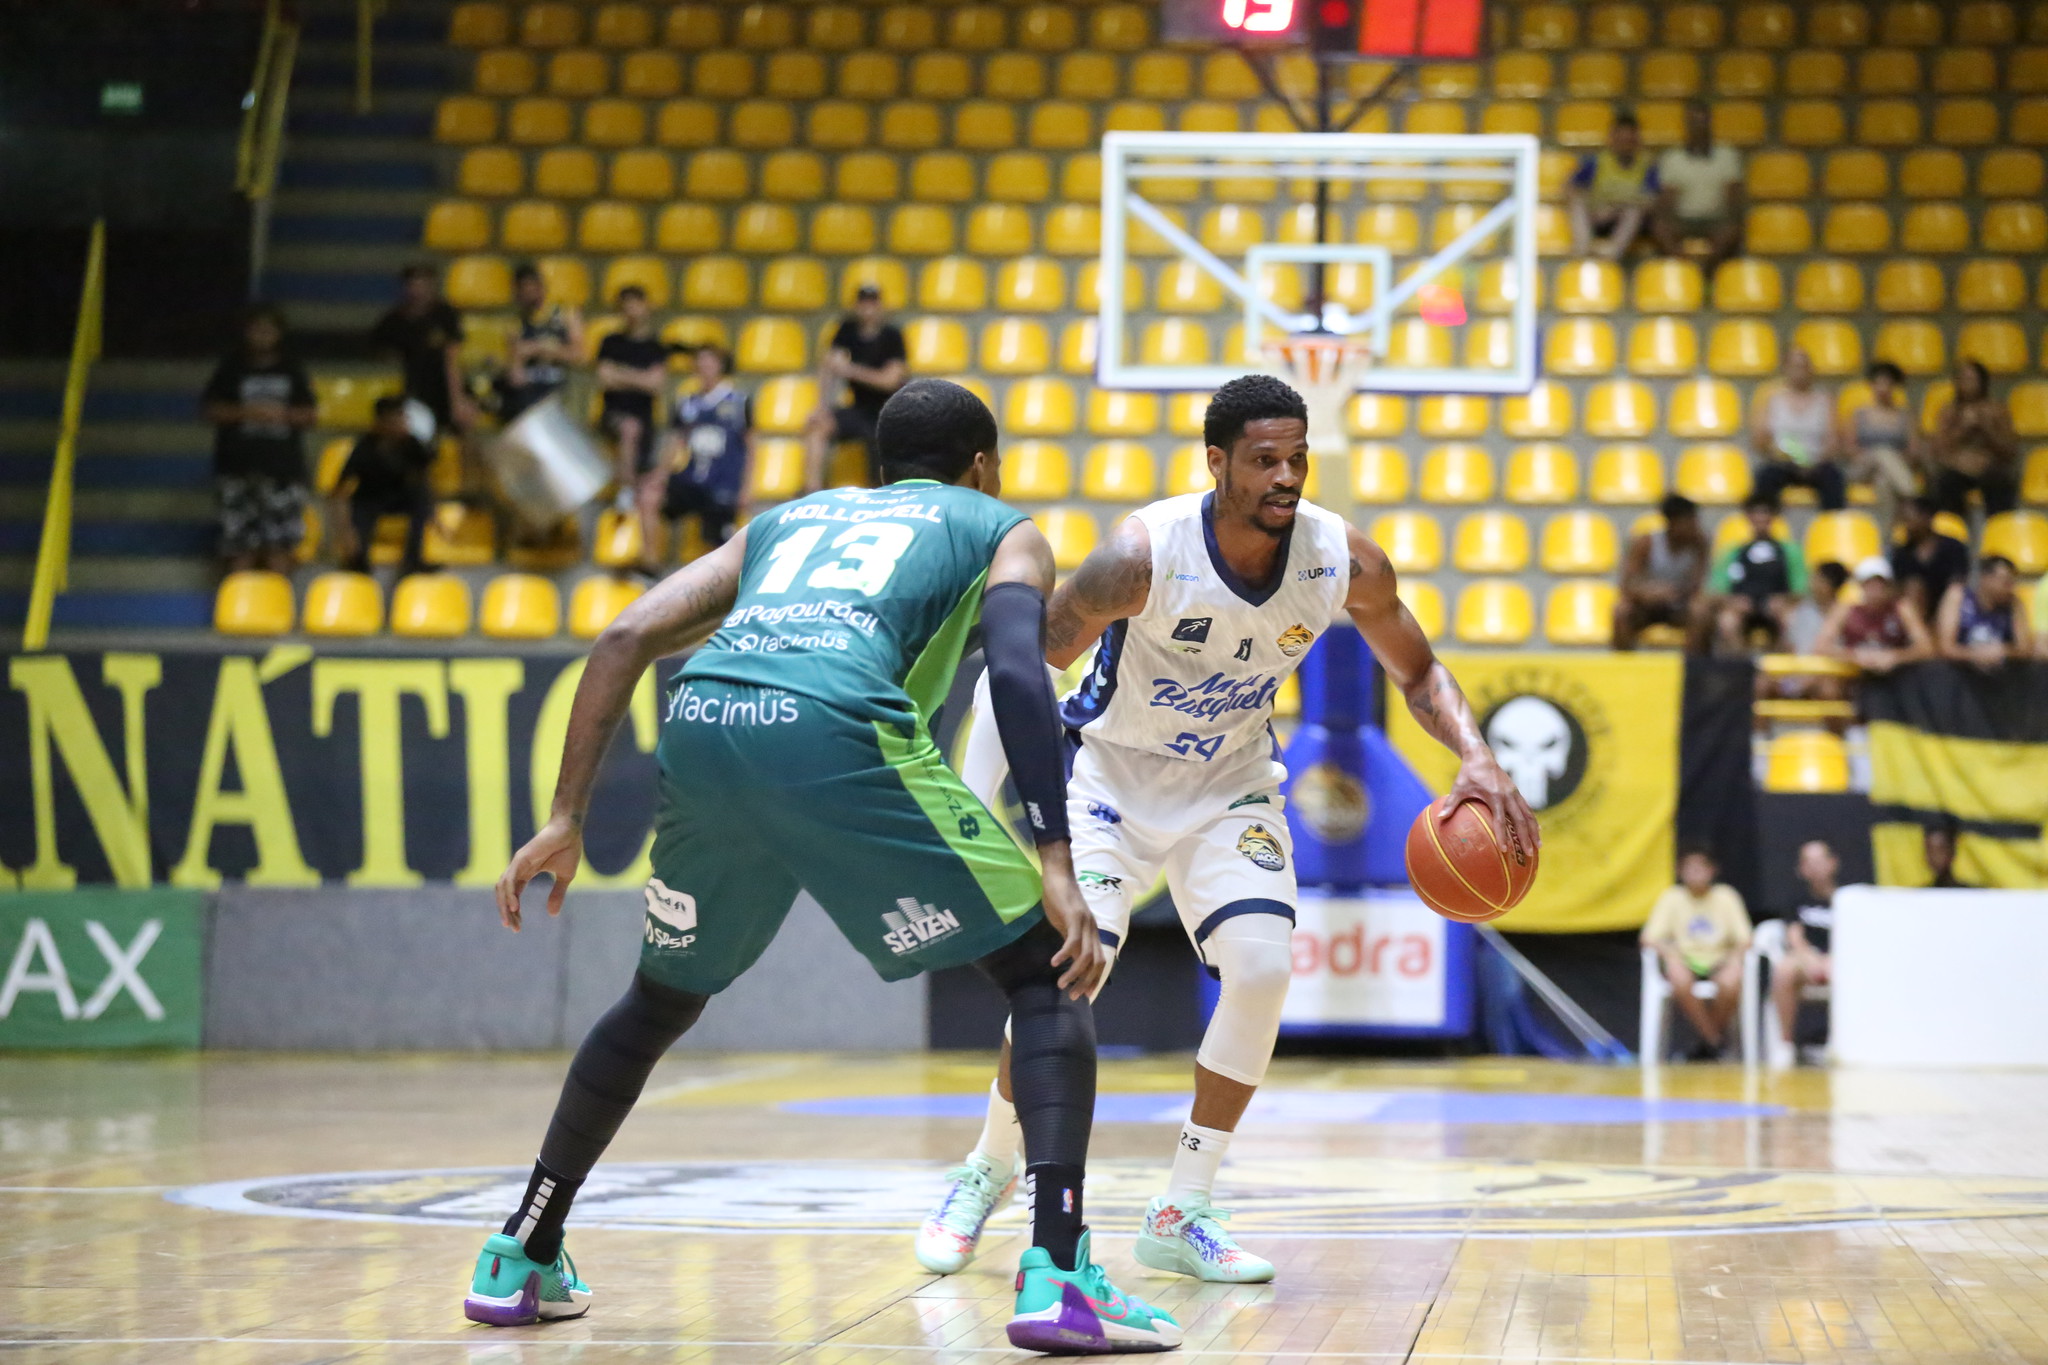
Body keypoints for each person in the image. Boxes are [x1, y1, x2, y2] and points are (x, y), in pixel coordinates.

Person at [464, 378, 1180, 1354]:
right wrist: (1053, 855)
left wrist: (563, 817)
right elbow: (1017, 668)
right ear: (982, 463)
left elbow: (626, 633)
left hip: (708, 722)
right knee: (1045, 974)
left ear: (879, 467)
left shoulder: (789, 520)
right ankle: (1058, 1272)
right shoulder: (999, 525)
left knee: (655, 1003)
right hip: (837, 728)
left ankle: (521, 1249)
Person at [917, 375, 1537, 1284]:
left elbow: (1419, 670)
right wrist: (979, 806)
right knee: (1065, 986)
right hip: (1112, 783)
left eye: (1298, 459)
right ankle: (987, 1164)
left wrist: (1475, 755)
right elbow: (1017, 667)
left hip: (1232, 787)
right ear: (1216, 463)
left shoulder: (1340, 560)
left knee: (1263, 967)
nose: (1286, 478)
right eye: (1264, 461)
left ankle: (1183, 1205)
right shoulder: (1141, 554)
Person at [201, 303, 317, 575]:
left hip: (282, 471)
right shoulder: (231, 367)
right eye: (256, 330)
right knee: (239, 547)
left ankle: (277, 609)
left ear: (279, 334)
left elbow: (310, 415)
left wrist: (281, 415)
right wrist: (248, 412)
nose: (262, 336)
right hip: (236, 468)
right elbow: (209, 410)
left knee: (280, 548)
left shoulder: (292, 368)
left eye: (269, 330)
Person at [1640, 843, 1752, 1060]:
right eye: (1690, 868)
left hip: (1719, 960)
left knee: (1732, 981)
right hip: (1686, 960)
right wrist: (1670, 955)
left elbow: (1745, 939)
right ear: (1680, 872)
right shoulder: (1671, 897)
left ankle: (1706, 1044)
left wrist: (1734, 959)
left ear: (1712, 871)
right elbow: (1649, 938)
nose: (1696, 873)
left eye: (1701, 868)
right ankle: (1714, 1042)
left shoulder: (1727, 896)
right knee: (1678, 976)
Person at [593, 285, 672, 576]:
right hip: (612, 418)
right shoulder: (610, 341)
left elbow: (656, 384)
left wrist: (620, 375)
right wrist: (640, 378)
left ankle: (648, 556)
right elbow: (604, 379)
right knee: (628, 427)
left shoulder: (655, 346)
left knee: (649, 488)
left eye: (635, 303)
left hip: (646, 423)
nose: (630, 310)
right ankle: (625, 490)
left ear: (646, 307)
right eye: (624, 304)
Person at [803, 282, 907, 490]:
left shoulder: (892, 336)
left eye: (872, 303)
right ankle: (810, 491)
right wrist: (821, 406)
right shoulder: (846, 330)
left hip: (886, 413)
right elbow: (829, 366)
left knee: (881, 466)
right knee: (818, 425)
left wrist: (850, 370)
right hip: (858, 409)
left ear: (880, 306)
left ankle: (882, 494)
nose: (867, 308)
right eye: (863, 303)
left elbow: (890, 381)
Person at [657, 345, 752, 552]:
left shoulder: (739, 401)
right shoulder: (686, 402)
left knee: (717, 542)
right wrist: (660, 475)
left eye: (710, 361)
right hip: (692, 479)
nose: (705, 366)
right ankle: (650, 568)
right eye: (700, 361)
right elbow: (675, 441)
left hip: (724, 483)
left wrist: (746, 488)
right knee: (650, 497)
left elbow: (752, 447)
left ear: (721, 366)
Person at [331, 395, 436, 576]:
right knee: (361, 510)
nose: (404, 422)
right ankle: (358, 561)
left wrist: (434, 513)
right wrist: (346, 532)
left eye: (403, 416)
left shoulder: (412, 444)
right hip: (370, 498)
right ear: (382, 421)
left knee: (420, 499)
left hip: (400, 498)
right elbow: (340, 491)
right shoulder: (365, 448)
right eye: (398, 417)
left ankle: (413, 562)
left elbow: (423, 477)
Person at [371, 264, 471, 435]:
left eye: (423, 284)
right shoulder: (394, 321)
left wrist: (458, 398)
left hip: (444, 389)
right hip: (413, 390)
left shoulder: (445, 315)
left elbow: (452, 358)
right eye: (413, 284)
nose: (418, 290)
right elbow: (380, 353)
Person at [1650, 100, 1744, 272]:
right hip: (1683, 219)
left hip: (1716, 218)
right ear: (1687, 125)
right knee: (1660, 228)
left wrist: (1730, 218)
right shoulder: (1672, 157)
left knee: (1732, 229)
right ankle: (1687, 271)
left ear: (1710, 123)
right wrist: (1664, 215)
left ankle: (1705, 273)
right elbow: (1667, 197)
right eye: (1694, 122)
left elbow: (1733, 196)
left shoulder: (1727, 155)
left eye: (1702, 121)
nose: (1698, 127)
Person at [1708, 495, 1807, 653]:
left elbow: (1801, 590)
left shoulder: (1791, 552)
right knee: (1727, 622)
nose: (1761, 517)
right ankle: (1740, 670)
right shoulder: (1732, 552)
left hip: (1777, 607)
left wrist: (1785, 600)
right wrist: (1733, 601)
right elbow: (1716, 590)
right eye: (1756, 512)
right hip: (1743, 608)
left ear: (1774, 516)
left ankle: (1781, 672)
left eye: (1766, 512)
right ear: (1748, 516)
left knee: (1792, 620)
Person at [1750, 347, 1845, 511]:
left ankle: (1831, 528)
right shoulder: (1771, 399)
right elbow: (1760, 440)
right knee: (1765, 476)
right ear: (1785, 368)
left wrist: (1814, 461)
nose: (1800, 372)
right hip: (1781, 462)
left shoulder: (1825, 400)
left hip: (1817, 463)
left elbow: (1833, 441)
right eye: (1795, 366)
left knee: (1834, 477)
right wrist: (1782, 456)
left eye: (1804, 366)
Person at [1614, 493, 1709, 652]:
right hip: (1646, 605)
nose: (1694, 525)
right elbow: (1627, 584)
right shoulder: (1646, 543)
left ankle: (1692, 667)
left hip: (1679, 604)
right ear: (1672, 522)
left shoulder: (1699, 545)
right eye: (1689, 521)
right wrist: (1647, 593)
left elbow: (1698, 584)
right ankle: (1623, 663)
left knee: (1700, 612)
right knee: (1621, 611)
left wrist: (1676, 593)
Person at [1770, 839, 1836, 1066]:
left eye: (1820, 860)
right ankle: (1785, 1044)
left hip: (1838, 961)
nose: (1816, 867)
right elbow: (1794, 937)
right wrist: (1811, 958)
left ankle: (1838, 1043)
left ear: (1833, 863)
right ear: (1802, 869)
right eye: (1809, 862)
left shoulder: (1847, 900)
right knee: (1783, 970)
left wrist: (1830, 960)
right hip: (1806, 959)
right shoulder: (1796, 902)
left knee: (1846, 973)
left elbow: (1853, 940)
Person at [1929, 360, 2020, 521]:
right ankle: (1953, 534)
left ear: (1982, 382)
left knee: (2001, 482)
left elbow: (2010, 451)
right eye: (1962, 379)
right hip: (1957, 469)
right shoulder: (1949, 412)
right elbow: (1938, 449)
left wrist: (1986, 428)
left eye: (1971, 379)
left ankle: (1998, 531)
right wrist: (1962, 430)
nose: (1966, 384)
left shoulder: (1997, 410)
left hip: (1990, 468)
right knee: (1944, 483)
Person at [1838, 361, 1920, 537]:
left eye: (1888, 384)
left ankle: (1886, 539)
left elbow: (1913, 451)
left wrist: (1894, 460)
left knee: (1884, 481)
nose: (1883, 388)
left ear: (1895, 387)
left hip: (1891, 471)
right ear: (1872, 385)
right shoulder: (1859, 414)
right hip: (1862, 468)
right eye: (1879, 383)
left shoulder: (1905, 416)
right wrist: (1874, 456)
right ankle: (1911, 494)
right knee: (1882, 452)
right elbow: (1849, 449)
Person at [1816, 556, 1934, 675]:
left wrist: (1895, 656)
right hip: (1857, 676)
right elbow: (1821, 647)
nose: (1875, 589)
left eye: (1879, 583)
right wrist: (1855, 656)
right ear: (1861, 585)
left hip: (1896, 676)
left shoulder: (1901, 608)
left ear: (1889, 586)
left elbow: (1926, 648)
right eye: (1869, 583)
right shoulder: (1846, 609)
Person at [1567, 112, 1659, 260]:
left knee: (1634, 211)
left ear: (1636, 140)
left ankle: (1611, 255)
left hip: (1628, 219)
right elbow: (1570, 187)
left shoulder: (1647, 165)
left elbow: (1652, 200)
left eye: (1629, 140)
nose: (1624, 145)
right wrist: (1594, 203)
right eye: (1621, 139)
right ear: (1612, 138)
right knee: (1577, 203)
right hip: (1598, 215)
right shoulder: (1596, 161)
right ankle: (1581, 250)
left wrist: (1618, 206)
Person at [499, 263, 581, 423]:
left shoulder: (565, 314)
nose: (528, 293)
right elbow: (515, 371)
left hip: (560, 392)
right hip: (529, 396)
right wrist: (515, 367)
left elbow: (579, 354)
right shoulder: (515, 323)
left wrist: (539, 348)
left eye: (531, 287)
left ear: (541, 286)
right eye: (522, 289)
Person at [1937, 554, 2033, 669]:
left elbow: (2025, 649)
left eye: (2012, 582)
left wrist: (2003, 651)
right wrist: (1976, 654)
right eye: (2005, 582)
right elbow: (1945, 648)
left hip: (2000, 676)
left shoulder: (2014, 603)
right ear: (1986, 578)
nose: (2010, 588)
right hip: (1960, 673)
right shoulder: (1958, 596)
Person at [1887, 495, 1972, 617]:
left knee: (1955, 593)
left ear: (1927, 517)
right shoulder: (1902, 553)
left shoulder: (1954, 547)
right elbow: (1899, 589)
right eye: (1904, 520)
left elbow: (1959, 581)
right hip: (1915, 611)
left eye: (1909, 519)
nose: (1906, 525)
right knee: (1913, 590)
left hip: (1950, 609)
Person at [1924, 817, 1969, 888]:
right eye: (1928, 851)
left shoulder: (1971, 895)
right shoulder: (1921, 895)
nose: (1930, 858)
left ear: (1951, 851)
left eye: (1937, 851)